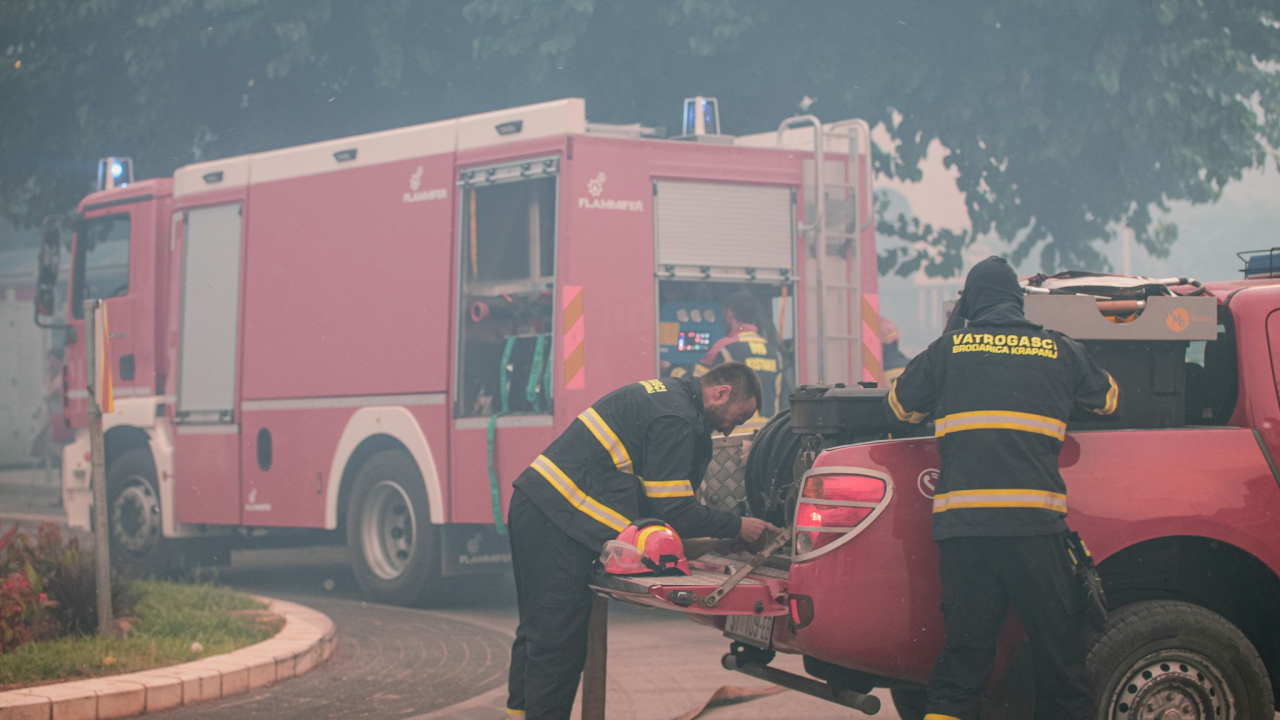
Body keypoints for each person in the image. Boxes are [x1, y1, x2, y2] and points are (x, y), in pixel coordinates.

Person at [885, 256, 1120, 720]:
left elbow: (899, 409)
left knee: (963, 662)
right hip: (1036, 532)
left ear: (970, 303)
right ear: (1018, 301)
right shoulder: (1059, 349)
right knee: (1061, 661)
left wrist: (953, 335)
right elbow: (1110, 400)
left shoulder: (946, 351)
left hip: (965, 534)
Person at [506, 362, 780, 720]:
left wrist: (714, 541)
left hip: (537, 508)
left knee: (537, 634)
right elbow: (674, 511)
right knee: (558, 646)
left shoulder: (668, 397)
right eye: (737, 418)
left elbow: (659, 512)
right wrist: (738, 526)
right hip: (557, 523)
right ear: (721, 393)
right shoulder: (677, 420)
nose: (730, 430)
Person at [674, 292, 789, 429]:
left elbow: (697, 385)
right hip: (765, 433)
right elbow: (783, 398)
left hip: (735, 432)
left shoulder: (724, 348)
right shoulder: (774, 353)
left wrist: (672, 370)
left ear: (729, 314)